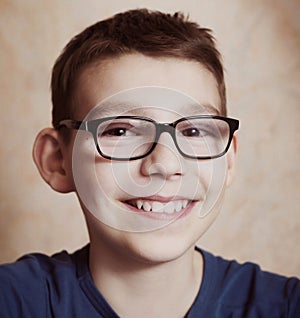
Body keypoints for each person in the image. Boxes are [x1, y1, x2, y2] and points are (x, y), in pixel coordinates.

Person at [0, 8, 299, 318]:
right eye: (120, 130)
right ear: (58, 160)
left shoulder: (286, 307)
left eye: (194, 130)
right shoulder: (13, 301)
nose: (165, 164)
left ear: (229, 159)